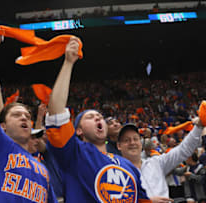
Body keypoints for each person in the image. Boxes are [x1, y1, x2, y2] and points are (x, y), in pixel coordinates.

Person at [45, 37, 151, 202]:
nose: (98, 119)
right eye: (90, 117)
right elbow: (56, 113)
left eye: (100, 117)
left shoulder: (128, 166)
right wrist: (68, 63)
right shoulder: (74, 153)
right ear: (78, 130)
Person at [0, 26, 56, 203]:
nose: (24, 117)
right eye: (17, 115)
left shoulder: (42, 169)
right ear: (2, 126)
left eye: (27, 115)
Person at [117, 119, 203, 202]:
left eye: (135, 139)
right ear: (119, 146)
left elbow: (183, 150)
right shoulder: (115, 173)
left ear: (140, 143)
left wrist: (199, 126)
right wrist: (146, 201)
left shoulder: (156, 162)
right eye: (126, 140)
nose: (132, 143)